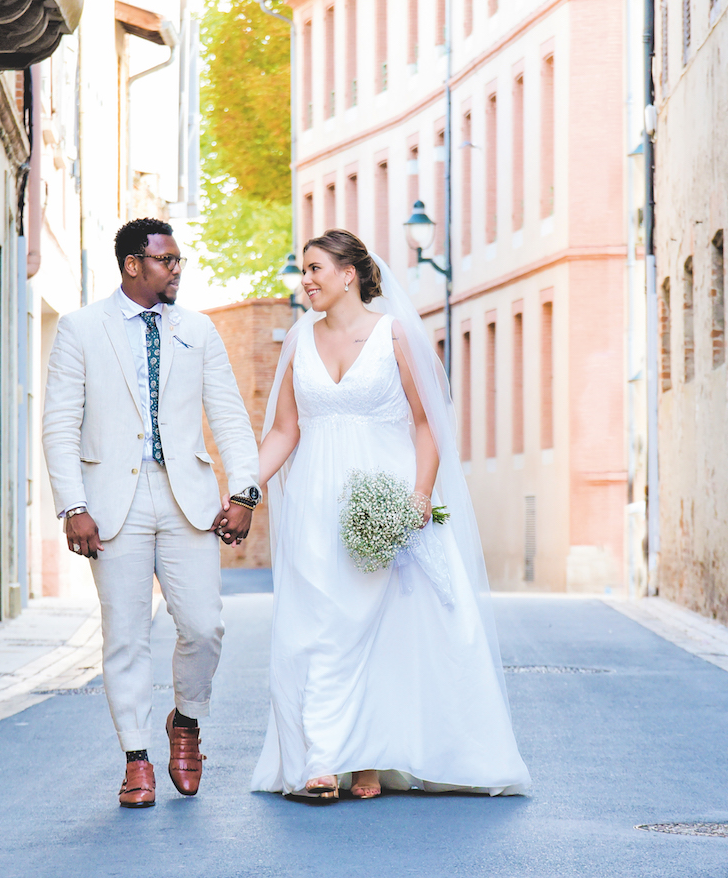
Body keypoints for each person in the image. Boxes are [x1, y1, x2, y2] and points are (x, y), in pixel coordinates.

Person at [250, 229, 530, 801]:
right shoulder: (298, 339)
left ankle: (360, 756)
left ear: (349, 273)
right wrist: (243, 490)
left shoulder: (392, 335)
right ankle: (325, 759)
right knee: (318, 626)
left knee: (381, 627)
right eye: (303, 270)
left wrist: (420, 496)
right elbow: (284, 429)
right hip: (313, 502)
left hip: (382, 496)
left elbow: (428, 422)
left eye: (315, 268)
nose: (305, 280)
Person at [43, 218, 260, 808]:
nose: (176, 269)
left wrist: (244, 492)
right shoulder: (81, 328)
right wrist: (73, 506)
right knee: (126, 636)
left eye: (179, 260)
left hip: (187, 498)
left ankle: (185, 721)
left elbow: (231, 418)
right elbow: (59, 425)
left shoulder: (200, 331)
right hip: (113, 503)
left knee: (203, 626)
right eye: (166, 260)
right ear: (133, 264)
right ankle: (136, 758)